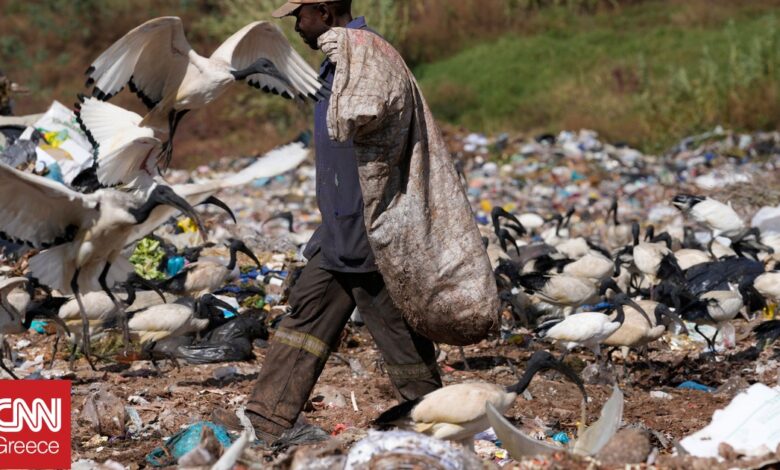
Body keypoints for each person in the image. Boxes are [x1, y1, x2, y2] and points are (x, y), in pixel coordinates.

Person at [213, 0, 442, 444]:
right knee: (305, 319)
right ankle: (265, 421)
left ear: (323, 11)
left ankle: (433, 424)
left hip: (370, 232)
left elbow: (377, 120)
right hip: (336, 230)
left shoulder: (368, 58)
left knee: (398, 337)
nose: (297, 27)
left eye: (299, 16)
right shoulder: (338, 62)